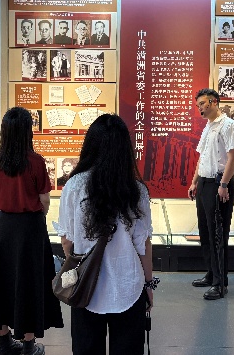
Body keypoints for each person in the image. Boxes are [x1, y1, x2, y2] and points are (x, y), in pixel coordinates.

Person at [57, 114, 154, 354]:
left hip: (86, 288)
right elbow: (143, 245)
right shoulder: (137, 190)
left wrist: (80, 263)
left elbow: (67, 241)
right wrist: (148, 284)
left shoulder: (74, 186)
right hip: (129, 284)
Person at [0, 107, 63, 355]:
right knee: (31, 280)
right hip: (31, 226)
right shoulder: (36, 161)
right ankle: (29, 344)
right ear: (28, 131)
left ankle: (4, 341)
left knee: (1, 279)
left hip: (5, 226)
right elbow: (44, 199)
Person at [188, 88, 234, 300]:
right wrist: (194, 182)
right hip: (204, 183)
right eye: (198, 105)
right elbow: (202, 157)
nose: (200, 108)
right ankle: (211, 274)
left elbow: (232, 157)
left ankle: (220, 284)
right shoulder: (208, 126)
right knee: (206, 231)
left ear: (214, 102)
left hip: (219, 183)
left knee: (218, 234)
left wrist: (224, 184)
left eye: (202, 103)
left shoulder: (228, 125)